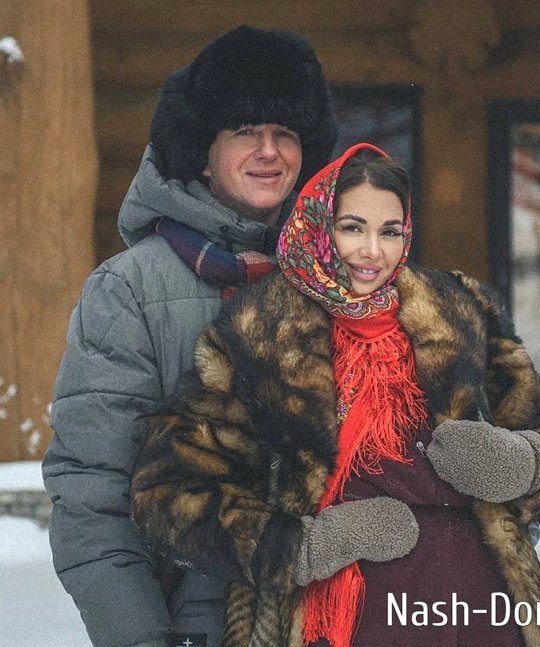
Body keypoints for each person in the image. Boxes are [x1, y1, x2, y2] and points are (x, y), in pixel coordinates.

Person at [129, 142, 540, 647]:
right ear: (319, 227)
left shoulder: (461, 313)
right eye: (352, 228)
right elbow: (165, 493)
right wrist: (305, 547)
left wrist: (523, 465)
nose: (372, 251)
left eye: (390, 231)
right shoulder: (260, 335)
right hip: (338, 624)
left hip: (484, 616)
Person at [42, 25, 337, 647]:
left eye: (285, 132)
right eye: (244, 131)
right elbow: (93, 495)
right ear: (202, 152)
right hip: (193, 625)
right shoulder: (129, 289)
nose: (269, 151)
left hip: (330, 618)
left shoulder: (340, 279)